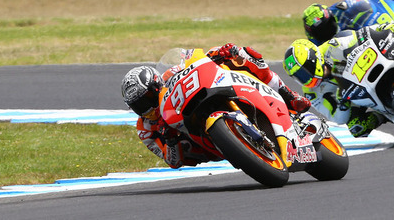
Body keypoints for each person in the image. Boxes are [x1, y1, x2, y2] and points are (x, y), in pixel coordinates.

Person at [121, 43, 311, 169]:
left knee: (243, 55)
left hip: (203, 94)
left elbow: (196, 62)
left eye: (147, 99)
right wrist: (170, 140)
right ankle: (236, 144)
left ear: (156, 85)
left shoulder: (170, 74)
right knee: (184, 146)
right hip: (201, 143)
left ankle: (287, 94)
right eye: (139, 106)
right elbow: (172, 161)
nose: (147, 109)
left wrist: (218, 53)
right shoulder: (145, 129)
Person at [283, 21, 394, 138]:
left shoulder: (331, 46)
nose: (304, 79)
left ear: (314, 59)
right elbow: (337, 117)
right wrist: (342, 101)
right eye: (299, 77)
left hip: (369, 68)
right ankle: (384, 116)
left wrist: (379, 30)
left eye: (304, 72)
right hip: (355, 99)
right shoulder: (312, 93)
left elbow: (359, 35)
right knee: (356, 128)